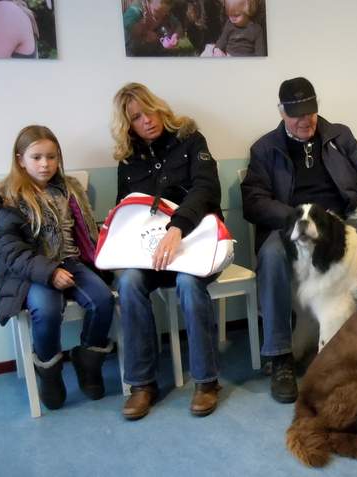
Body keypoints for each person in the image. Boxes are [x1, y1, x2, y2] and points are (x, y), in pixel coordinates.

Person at [241, 76, 357, 403]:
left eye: (310, 112)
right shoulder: (265, 149)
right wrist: (295, 220)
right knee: (271, 256)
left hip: (340, 220)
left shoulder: (339, 136)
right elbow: (254, 201)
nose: (306, 120)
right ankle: (280, 356)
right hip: (292, 224)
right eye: (297, 114)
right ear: (282, 112)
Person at [111, 82, 223, 420]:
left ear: (159, 107)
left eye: (149, 110)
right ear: (128, 125)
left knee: (188, 283)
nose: (146, 120)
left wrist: (177, 228)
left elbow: (206, 188)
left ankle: (206, 381)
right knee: (129, 282)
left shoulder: (191, 139)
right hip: (153, 251)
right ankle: (142, 384)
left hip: (198, 241)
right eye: (136, 117)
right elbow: (126, 210)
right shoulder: (128, 161)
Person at [0, 125, 115, 410]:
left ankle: (88, 361)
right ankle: (50, 372)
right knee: (45, 311)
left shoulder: (69, 190)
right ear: (20, 159)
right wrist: (49, 272)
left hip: (71, 261)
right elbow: (8, 248)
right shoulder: (9, 198)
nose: (45, 164)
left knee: (103, 300)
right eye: (36, 157)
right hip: (31, 272)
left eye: (51, 157)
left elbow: (86, 232)